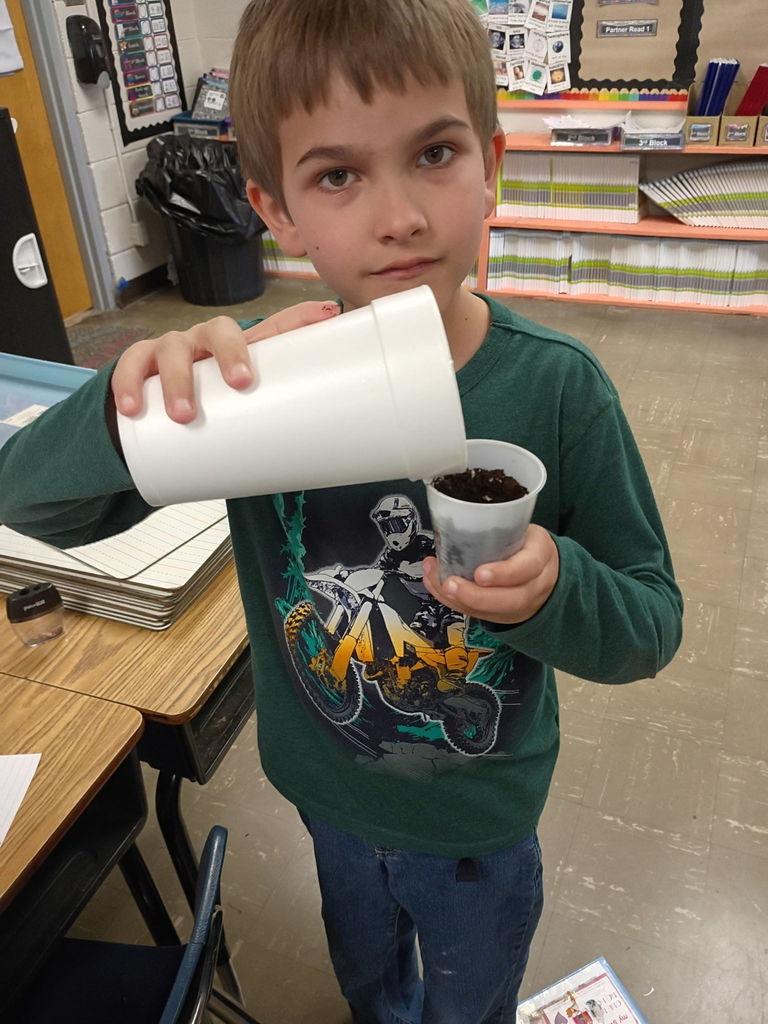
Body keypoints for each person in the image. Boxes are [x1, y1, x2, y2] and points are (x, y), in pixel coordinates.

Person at [0, 1, 682, 1020]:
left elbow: (650, 624)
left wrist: (553, 582)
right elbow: (28, 506)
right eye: (338, 175)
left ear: (489, 164)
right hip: (326, 801)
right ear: (274, 209)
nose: (399, 213)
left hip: (478, 827)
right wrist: (126, 402)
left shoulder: (559, 391)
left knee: (466, 1001)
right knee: (371, 991)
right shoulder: (256, 387)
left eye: (436, 152)